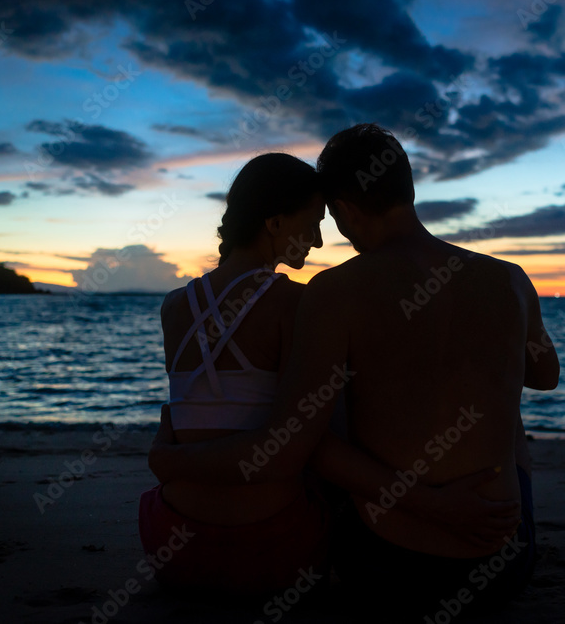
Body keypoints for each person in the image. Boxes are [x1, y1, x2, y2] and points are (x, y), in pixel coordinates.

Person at [141, 151, 516, 604]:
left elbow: (189, 423)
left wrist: (167, 461)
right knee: (337, 423)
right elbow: (293, 449)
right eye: (313, 223)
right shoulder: (298, 303)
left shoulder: (173, 307)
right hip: (276, 545)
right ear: (275, 224)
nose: (319, 241)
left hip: (170, 543)